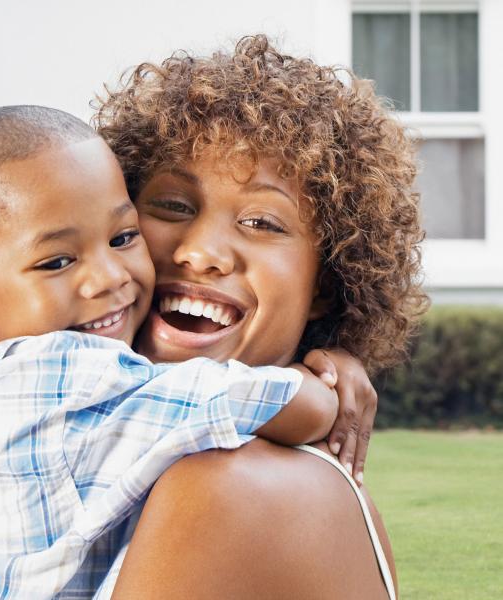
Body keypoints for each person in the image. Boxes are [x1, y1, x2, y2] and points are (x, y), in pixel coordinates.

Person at [0, 105, 342, 599]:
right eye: (56, 261)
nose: (110, 276)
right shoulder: (77, 376)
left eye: (122, 238)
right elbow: (295, 406)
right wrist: (325, 379)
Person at [95, 34, 427, 599]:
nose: (200, 252)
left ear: (325, 286)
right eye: (172, 206)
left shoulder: (226, 484)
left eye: (262, 223)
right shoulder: (122, 443)